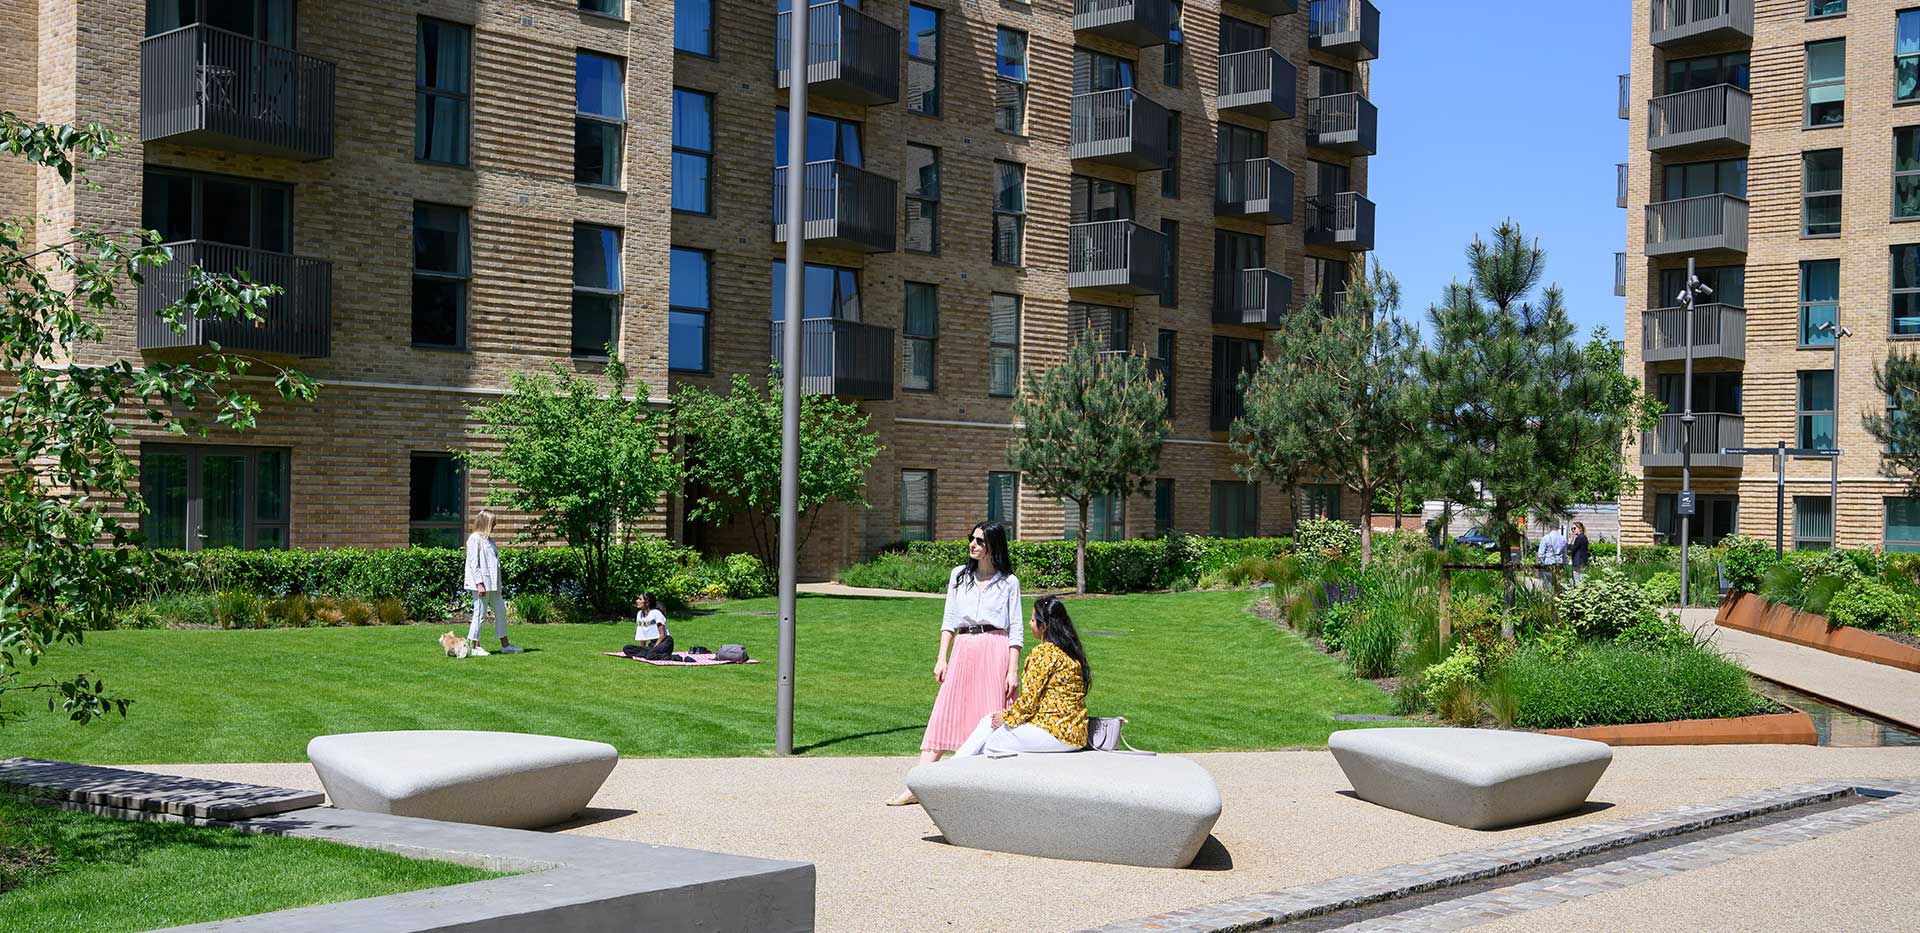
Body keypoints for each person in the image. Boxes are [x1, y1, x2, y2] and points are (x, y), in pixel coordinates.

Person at [886, 521, 1022, 807]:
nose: (972, 545)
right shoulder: (959, 576)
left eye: (980, 541)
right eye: (971, 539)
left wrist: (1012, 671)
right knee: (944, 715)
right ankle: (917, 785)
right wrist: (941, 658)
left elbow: (1016, 631)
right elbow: (949, 620)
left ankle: (982, 790)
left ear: (993, 547)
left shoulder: (1009, 582)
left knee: (988, 719)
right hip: (963, 649)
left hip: (994, 649)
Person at [953, 596, 1090, 758]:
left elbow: (1029, 701)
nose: (1029, 623)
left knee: (992, 742)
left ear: (1044, 626)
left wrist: (1006, 717)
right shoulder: (1071, 654)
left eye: (1033, 620)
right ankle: (955, 765)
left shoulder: (1044, 654)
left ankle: (954, 770)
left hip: (1054, 732)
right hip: (1075, 734)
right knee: (988, 723)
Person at [463, 509, 522, 656]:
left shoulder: (488, 539)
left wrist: (498, 585)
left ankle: (505, 645)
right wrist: (479, 584)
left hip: (493, 585)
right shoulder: (474, 539)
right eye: (492, 521)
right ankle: (474, 646)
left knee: (501, 611)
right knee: (480, 614)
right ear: (485, 522)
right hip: (481, 585)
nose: (495, 524)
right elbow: (473, 564)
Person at [626, 592, 673, 660]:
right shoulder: (639, 614)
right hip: (653, 644)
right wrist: (642, 649)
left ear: (647, 602)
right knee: (627, 648)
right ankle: (650, 653)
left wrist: (654, 648)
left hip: (664, 642)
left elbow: (662, 635)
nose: (637, 601)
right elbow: (641, 634)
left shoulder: (656, 613)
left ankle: (673, 657)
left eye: (640, 599)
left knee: (651, 655)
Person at [1535, 524, 1568, 592]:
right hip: (1559, 565)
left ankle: (1550, 600)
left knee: (1548, 585)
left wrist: (1541, 564)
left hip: (1548, 564)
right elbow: (1565, 554)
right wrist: (1564, 564)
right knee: (1557, 585)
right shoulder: (1563, 539)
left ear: (1549, 527)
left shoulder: (1546, 538)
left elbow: (1541, 554)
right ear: (1558, 527)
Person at [1569, 521, 1591, 585]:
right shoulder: (1584, 537)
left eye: (1574, 528)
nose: (1573, 530)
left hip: (1578, 562)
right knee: (1580, 579)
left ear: (1580, 528)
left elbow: (1573, 548)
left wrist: (1569, 544)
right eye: (1572, 529)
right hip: (1582, 562)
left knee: (1577, 580)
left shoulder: (1579, 538)